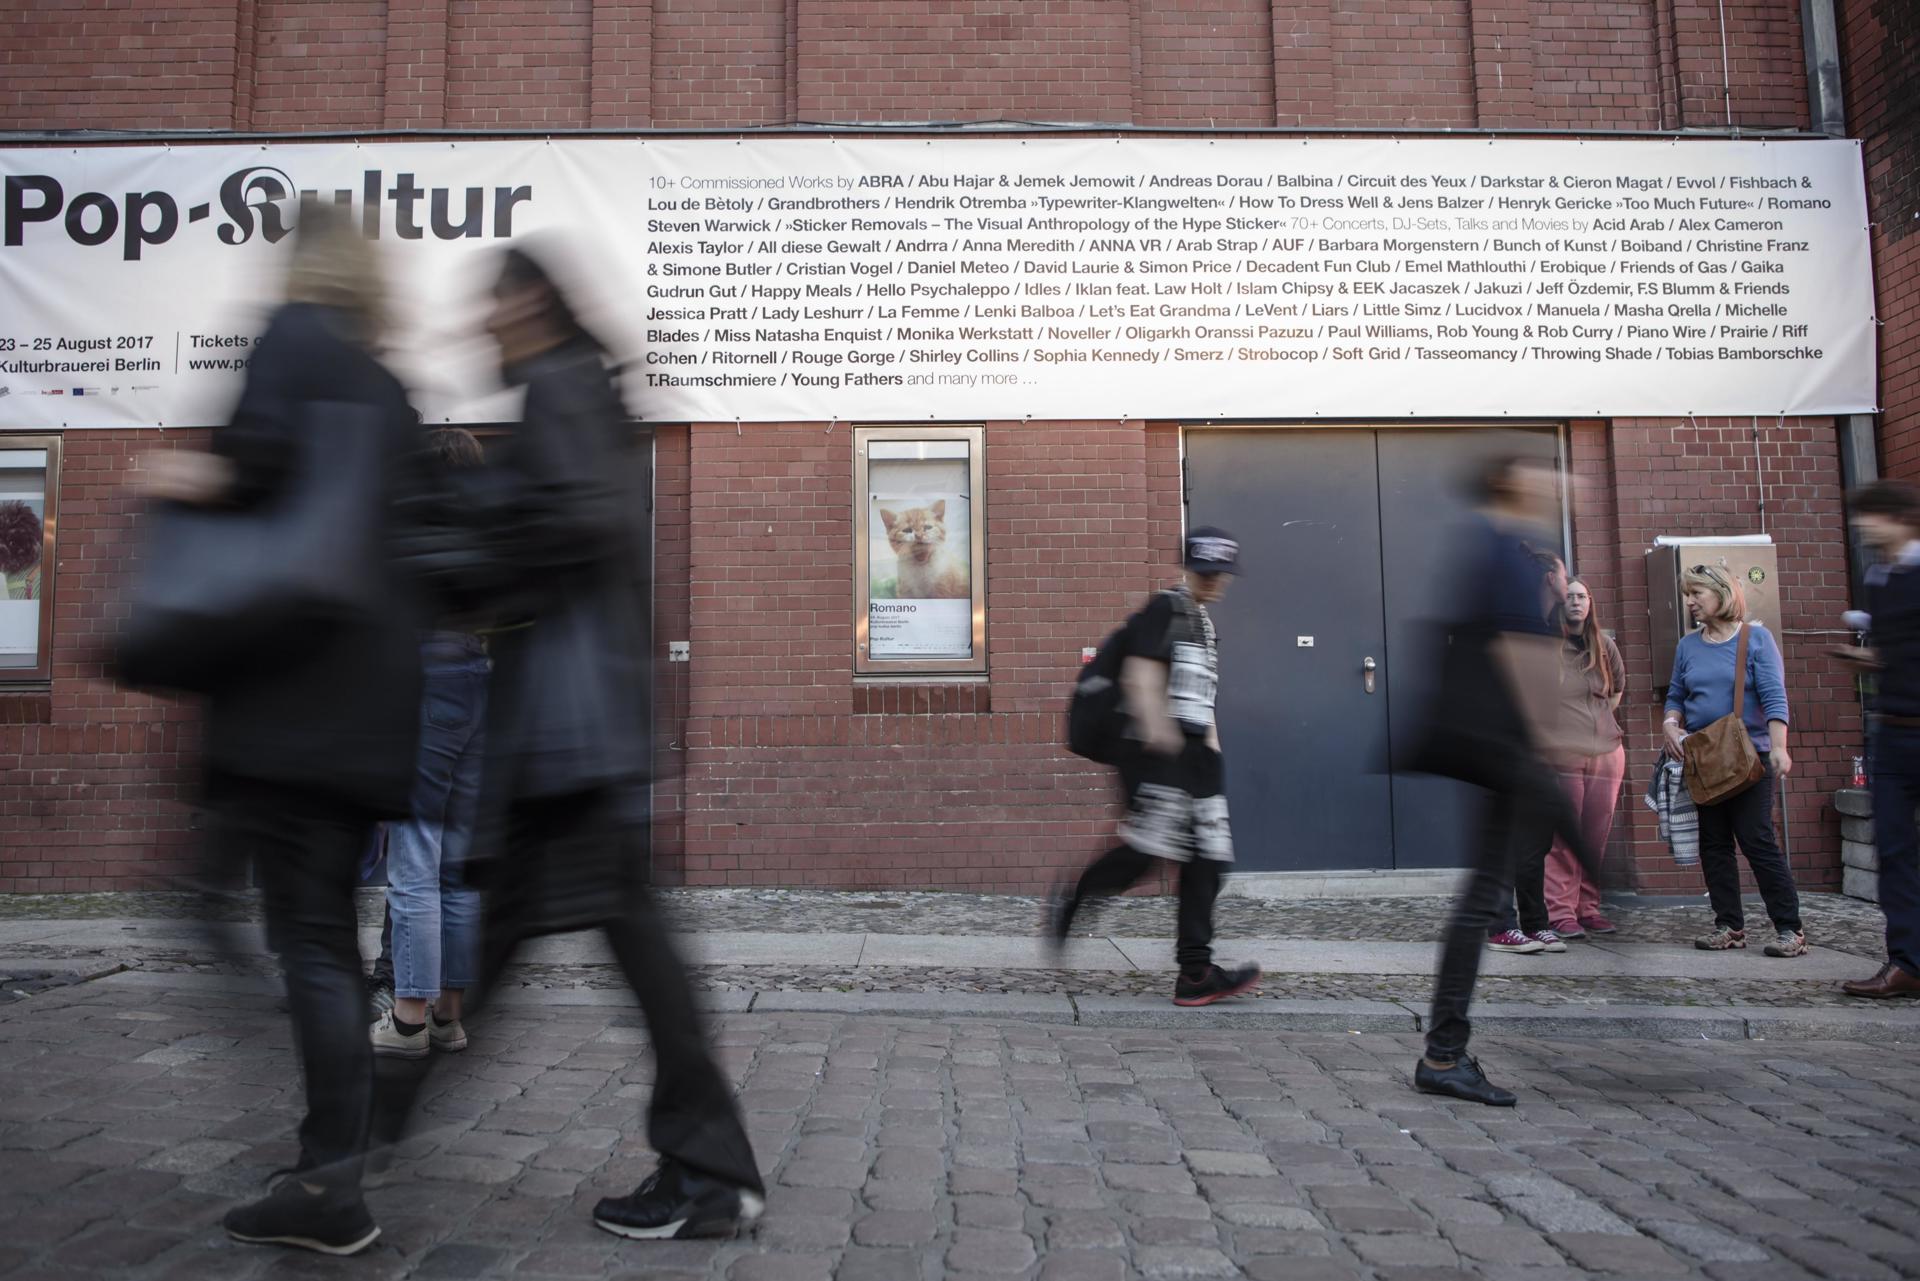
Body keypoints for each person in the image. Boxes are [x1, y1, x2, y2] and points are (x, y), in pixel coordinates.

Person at [373, 243, 765, 1242]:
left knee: (608, 955)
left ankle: (357, 1141)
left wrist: (470, 524)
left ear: (533, 302)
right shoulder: (571, 392)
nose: (480, 327)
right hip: (576, 737)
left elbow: (574, 527)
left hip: (569, 740)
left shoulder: (560, 390)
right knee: (565, 948)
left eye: (491, 308)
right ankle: (364, 1136)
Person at [139, 203, 426, 1255]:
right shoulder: (392, 390)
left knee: (295, 940)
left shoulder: (291, 343)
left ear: (303, 268)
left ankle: (329, 1183)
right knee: (323, 941)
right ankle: (329, 1163)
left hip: (287, 700)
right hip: (364, 717)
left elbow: (254, 470)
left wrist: (178, 476)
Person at [1411, 454, 1601, 1106]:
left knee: (1482, 895)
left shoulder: (1496, 550)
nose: (1562, 489)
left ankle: (1443, 1049)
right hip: (1501, 748)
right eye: (1549, 480)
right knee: (1492, 892)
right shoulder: (1502, 555)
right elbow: (1525, 656)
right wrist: (1564, 733)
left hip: (1493, 747)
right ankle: (1442, 1053)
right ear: (1515, 486)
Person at [1048, 527, 1262, 1007]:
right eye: (1205, 573)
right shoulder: (1166, 607)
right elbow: (1140, 673)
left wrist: (1212, 753)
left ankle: (1196, 972)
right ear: (1188, 569)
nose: (1213, 582)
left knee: (1210, 860)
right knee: (1147, 854)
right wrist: (1158, 735)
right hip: (1154, 749)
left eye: (1220, 574)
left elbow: (1201, 699)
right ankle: (1079, 899)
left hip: (1196, 755)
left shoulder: (1205, 626)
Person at [369, 428, 491, 1059]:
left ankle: (409, 1019)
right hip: (476, 680)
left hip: (423, 685)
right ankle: (449, 1017)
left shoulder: (408, 525)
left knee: (413, 863)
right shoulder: (486, 528)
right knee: (459, 869)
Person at [1663, 563, 1806, 956]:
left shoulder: (1756, 639)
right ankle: (1728, 925)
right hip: (1705, 758)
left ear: (1721, 594)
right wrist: (1670, 724)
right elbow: (1676, 695)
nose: (1690, 601)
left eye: (1697, 594)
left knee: (1757, 840)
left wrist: (1779, 747)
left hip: (1749, 757)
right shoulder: (1687, 645)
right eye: (1687, 594)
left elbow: (1775, 697)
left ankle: (1789, 929)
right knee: (1714, 844)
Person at [1837, 481, 1920, 997]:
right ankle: (1907, 963)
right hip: (1892, 732)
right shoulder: (1879, 578)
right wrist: (1863, 660)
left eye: (1870, 518)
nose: (1862, 527)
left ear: (1900, 519)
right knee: (1893, 850)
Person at [1486, 547, 1572, 955]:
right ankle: (1501, 926)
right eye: (1562, 571)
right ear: (1547, 578)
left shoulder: (1545, 627)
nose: (1568, 580)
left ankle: (1537, 923)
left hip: (1537, 751)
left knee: (1534, 843)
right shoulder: (1512, 624)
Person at [1545, 578, 1626, 939]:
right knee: (1565, 837)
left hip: (1607, 752)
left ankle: (1587, 907)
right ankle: (1560, 912)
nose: (1576, 602)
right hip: (1563, 754)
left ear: (1590, 603)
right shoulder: (1547, 647)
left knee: (1596, 835)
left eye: (1582, 597)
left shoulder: (1604, 646)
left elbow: (1616, 692)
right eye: (1570, 597)